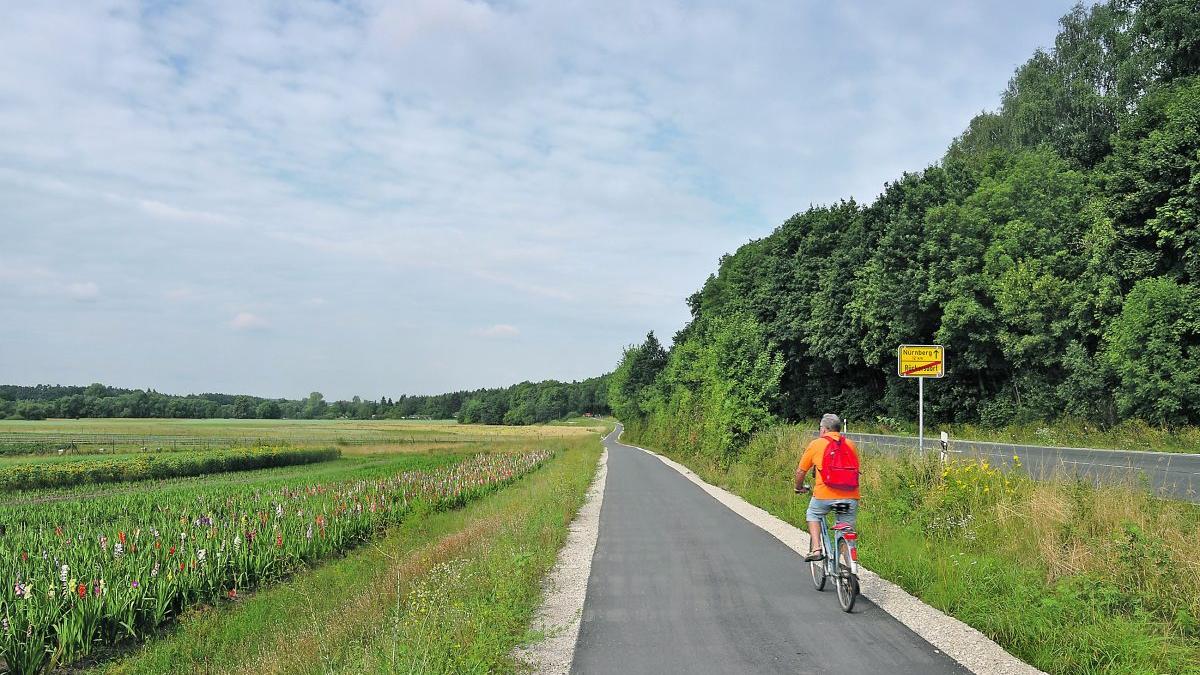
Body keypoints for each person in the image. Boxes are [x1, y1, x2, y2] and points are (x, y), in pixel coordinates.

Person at [795, 413, 860, 562]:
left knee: (813, 514)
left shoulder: (816, 444)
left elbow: (800, 471)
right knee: (845, 529)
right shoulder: (850, 444)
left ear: (824, 429)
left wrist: (798, 487)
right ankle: (850, 567)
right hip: (849, 499)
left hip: (824, 498)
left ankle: (816, 549)